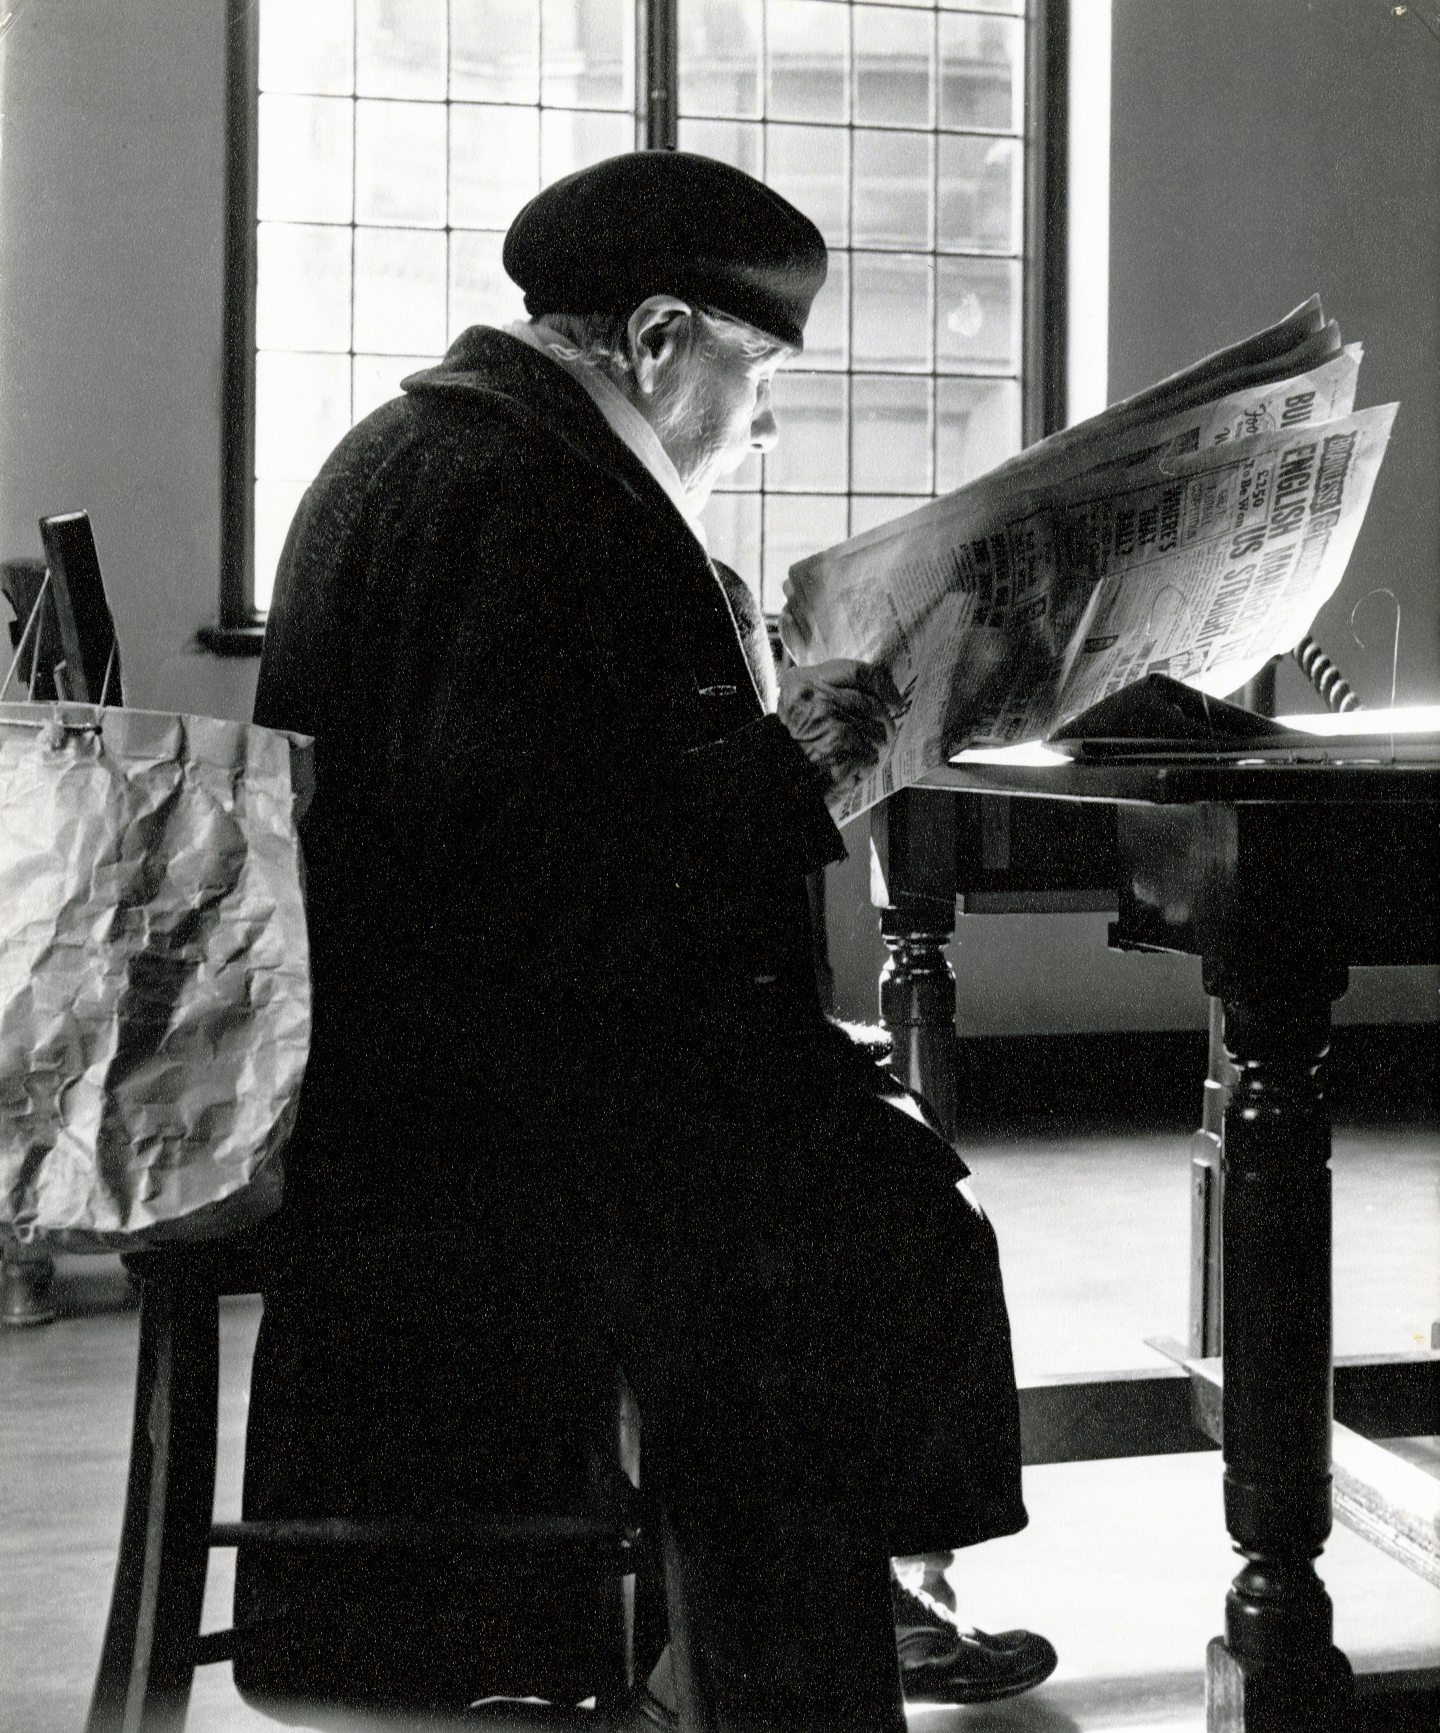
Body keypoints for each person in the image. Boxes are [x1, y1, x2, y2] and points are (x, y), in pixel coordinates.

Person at [240, 149, 1053, 1730]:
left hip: (405, 1080)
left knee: (863, 1165)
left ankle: (815, 1618)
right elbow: (549, 890)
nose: (768, 418)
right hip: (488, 1129)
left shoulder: (427, 454)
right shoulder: (544, 506)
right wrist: (794, 768)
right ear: (662, 337)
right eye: (761, 370)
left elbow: (540, 835)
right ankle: (790, 1660)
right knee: (864, 1210)